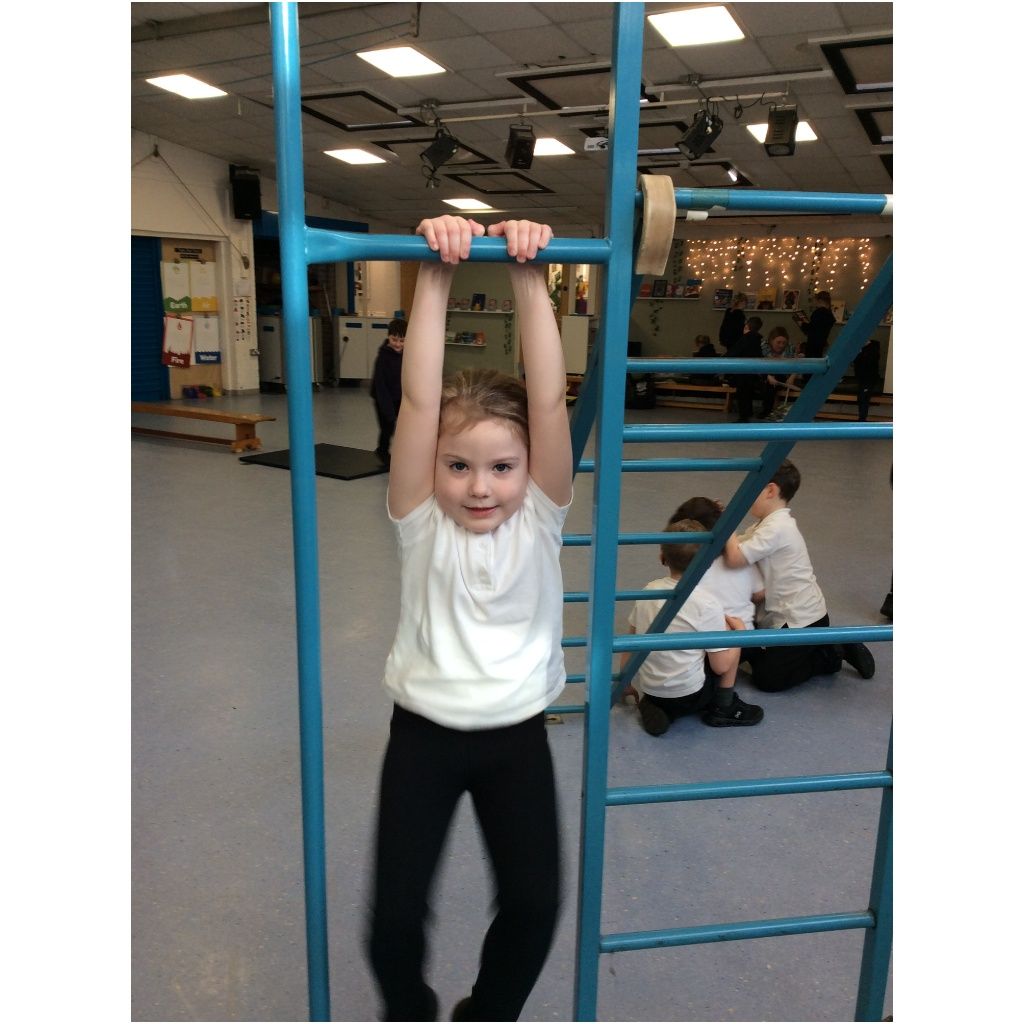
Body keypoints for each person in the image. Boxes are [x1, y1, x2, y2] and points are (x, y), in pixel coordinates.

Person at [366, 215, 572, 1024]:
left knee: (534, 905)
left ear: (528, 468)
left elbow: (547, 398)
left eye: (501, 467)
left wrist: (528, 275)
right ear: (431, 468)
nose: (480, 487)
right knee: (391, 922)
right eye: (458, 466)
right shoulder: (419, 518)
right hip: (424, 734)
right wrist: (436, 273)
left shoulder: (541, 514)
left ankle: (485, 1016)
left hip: (516, 736)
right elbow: (421, 399)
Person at [722, 459, 875, 693]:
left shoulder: (777, 528)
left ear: (770, 490)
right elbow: (736, 548)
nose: (745, 495)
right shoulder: (763, 526)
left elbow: (735, 557)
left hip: (802, 620)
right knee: (749, 651)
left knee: (768, 679)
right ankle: (813, 645)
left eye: (751, 488)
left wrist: (725, 522)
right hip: (781, 616)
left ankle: (832, 652)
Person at [625, 519, 764, 735]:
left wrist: (624, 682)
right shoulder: (707, 604)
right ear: (707, 564)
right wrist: (739, 635)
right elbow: (720, 667)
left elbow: (630, 641)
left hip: (651, 689)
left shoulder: (648, 591)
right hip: (691, 696)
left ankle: (656, 706)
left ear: (662, 557)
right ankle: (723, 707)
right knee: (730, 635)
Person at [668, 496, 764, 629]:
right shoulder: (743, 561)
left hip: (707, 634)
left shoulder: (687, 565)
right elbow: (760, 594)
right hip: (744, 632)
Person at [370, 317, 407, 465]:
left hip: (398, 397)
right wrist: (389, 412)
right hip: (383, 398)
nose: (397, 344)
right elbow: (381, 386)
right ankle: (382, 451)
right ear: (388, 337)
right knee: (387, 427)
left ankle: (400, 453)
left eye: (402, 340)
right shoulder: (383, 358)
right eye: (394, 339)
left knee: (400, 428)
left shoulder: (407, 354)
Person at [795, 290, 836, 383]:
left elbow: (811, 329)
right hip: (821, 343)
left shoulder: (818, 312)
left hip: (813, 343)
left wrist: (802, 324)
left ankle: (808, 384)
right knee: (817, 364)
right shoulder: (829, 314)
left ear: (819, 300)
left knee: (809, 366)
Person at [760, 325, 798, 419]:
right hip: (765, 374)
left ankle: (768, 411)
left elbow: (797, 365)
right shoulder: (764, 346)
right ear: (771, 340)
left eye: (784, 343)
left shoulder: (790, 347)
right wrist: (768, 376)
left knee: (772, 384)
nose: (781, 345)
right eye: (778, 342)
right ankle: (767, 411)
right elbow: (760, 365)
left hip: (783, 375)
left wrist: (792, 378)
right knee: (768, 384)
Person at [732, 315, 763, 422]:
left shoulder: (745, 339)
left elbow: (734, 352)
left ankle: (743, 416)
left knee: (742, 393)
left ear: (747, 326)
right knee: (748, 393)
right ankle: (748, 413)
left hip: (742, 371)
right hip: (752, 371)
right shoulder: (758, 339)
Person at [853, 337, 882, 422]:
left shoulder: (873, 349)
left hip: (868, 378)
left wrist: (860, 353)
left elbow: (869, 361)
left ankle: (862, 419)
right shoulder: (862, 349)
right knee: (861, 398)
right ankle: (861, 418)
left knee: (863, 397)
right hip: (862, 378)